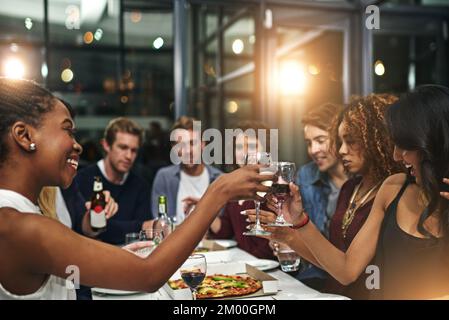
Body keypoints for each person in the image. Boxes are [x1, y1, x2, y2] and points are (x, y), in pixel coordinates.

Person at [0, 78, 272, 300]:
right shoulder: (22, 226)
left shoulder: (21, 216)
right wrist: (219, 191)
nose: (77, 144)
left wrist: (116, 258)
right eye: (67, 130)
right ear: (24, 136)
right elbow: (149, 275)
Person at [248, 94, 404, 299]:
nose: (341, 150)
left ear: (375, 140)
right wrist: (287, 236)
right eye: (340, 142)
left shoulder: (394, 188)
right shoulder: (350, 188)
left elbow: (348, 270)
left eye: (350, 141)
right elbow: (332, 260)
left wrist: (300, 222)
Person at [75, 117, 153, 244]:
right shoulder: (83, 179)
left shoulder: (140, 185)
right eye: (123, 147)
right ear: (106, 145)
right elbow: (84, 231)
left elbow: (145, 233)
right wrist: (138, 226)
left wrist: (108, 227)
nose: (129, 156)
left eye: (134, 150)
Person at [295, 103, 347, 289]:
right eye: (309, 143)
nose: (313, 150)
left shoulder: (364, 179)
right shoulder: (306, 175)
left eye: (320, 140)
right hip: (317, 274)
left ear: (340, 138)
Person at [206, 120, 275, 259]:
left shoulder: (275, 186)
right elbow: (225, 231)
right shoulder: (234, 186)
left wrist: (243, 262)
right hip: (246, 266)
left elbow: (276, 240)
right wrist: (206, 206)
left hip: (273, 269)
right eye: (238, 147)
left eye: (251, 146)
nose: (244, 153)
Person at [151, 116, 222, 223]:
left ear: (203, 144)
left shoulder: (219, 179)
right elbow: (159, 222)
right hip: (174, 238)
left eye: (192, 143)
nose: (188, 151)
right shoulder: (164, 177)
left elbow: (224, 226)